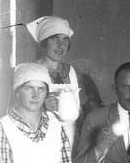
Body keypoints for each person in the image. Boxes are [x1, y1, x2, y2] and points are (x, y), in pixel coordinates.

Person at [27, 16, 102, 148]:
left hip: (71, 142)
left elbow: (89, 112)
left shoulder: (75, 73)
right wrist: (42, 108)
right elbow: (14, 113)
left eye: (65, 39)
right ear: (44, 42)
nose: (60, 45)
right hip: (38, 143)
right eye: (54, 38)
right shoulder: (29, 73)